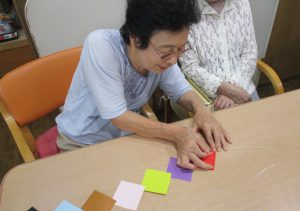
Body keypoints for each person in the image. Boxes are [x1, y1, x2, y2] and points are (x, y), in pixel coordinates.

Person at [56, 0, 231, 170]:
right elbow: (118, 116)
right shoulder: (101, 45)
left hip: (126, 136)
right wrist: (177, 133)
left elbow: (182, 91)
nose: (173, 60)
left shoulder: (165, 58)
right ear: (135, 38)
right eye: (166, 51)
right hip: (83, 141)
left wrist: (202, 110)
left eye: (180, 49)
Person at [179, 0, 259, 110]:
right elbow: (189, 66)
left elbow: (250, 52)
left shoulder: (241, 2)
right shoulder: (185, 10)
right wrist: (223, 88)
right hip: (209, 97)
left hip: (243, 87)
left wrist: (234, 89)